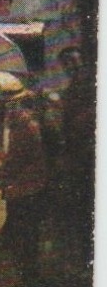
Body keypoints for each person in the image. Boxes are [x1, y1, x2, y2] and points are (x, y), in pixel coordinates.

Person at [0, 86, 50, 287]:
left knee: (24, 238)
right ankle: (28, 279)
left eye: (11, 104)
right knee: (23, 237)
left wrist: (1, 172)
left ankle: (29, 283)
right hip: (25, 188)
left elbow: (18, 160)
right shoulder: (21, 124)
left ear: (19, 104)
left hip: (26, 190)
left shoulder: (25, 126)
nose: (8, 108)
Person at [55, 47, 96, 274]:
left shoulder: (90, 85)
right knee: (78, 209)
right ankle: (83, 258)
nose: (71, 67)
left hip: (87, 154)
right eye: (66, 64)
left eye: (73, 61)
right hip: (76, 155)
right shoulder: (72, 88)